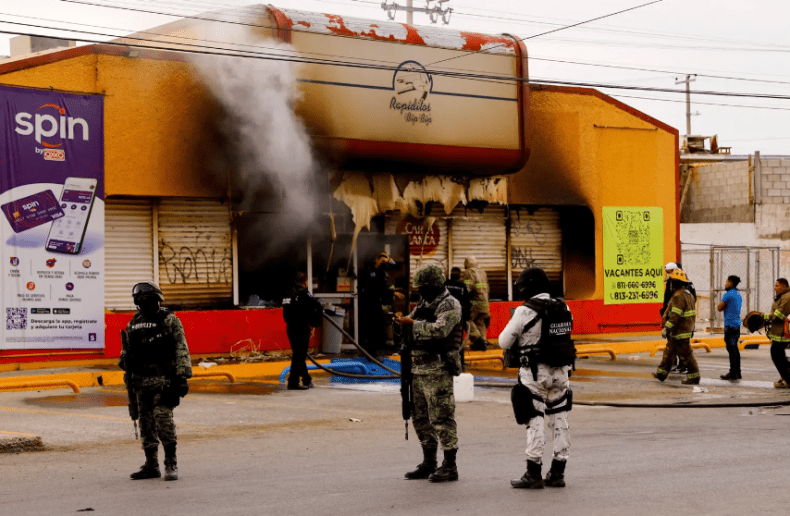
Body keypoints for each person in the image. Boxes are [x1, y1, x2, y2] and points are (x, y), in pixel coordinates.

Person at [499, 267, 575, 489]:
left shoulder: (524, 311)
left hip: (535, 374)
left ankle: (533, 473)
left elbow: (504, 341)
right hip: (561, 372)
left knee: (536, 420)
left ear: (527, 286)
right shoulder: (564, 306)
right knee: (560, 420)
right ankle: (558, 472)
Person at [395, 265, 462, 483]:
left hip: (438, 368)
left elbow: (440, 329)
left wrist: (412, 324)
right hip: (418, 368)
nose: (421, 292)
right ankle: (429, 461)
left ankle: (450, 465)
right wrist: (401, 321)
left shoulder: (450, 304)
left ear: (434, 286)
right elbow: (411, 320)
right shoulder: (424, 303)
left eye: (424, 288)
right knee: (420, 417)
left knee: (441, 418)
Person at [120, 281, 192, 481]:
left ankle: (171, 462)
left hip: (164, 380)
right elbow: (127, 352)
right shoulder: (133, 323)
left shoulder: (169, 320)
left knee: (163, 419)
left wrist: (181, 377)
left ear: (157, 299)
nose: (144, 302)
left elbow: (181, 348)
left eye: (148, 299)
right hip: (141, 382)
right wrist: (125, 363)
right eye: (140, 299)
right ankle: (151, 465)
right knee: (145, 423)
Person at [653, 269, 701, 385]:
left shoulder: (678, 297)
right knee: (669, 352)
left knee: (686, 355)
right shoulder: (688, 295)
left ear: (675, 284)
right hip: (684, 329)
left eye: (671, 283)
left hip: (680, 330)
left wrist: (666, 328)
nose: (670, 285)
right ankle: (662, 373)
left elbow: (675, 316)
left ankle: (694, 377)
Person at [282, 272, 323, 390]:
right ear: (305, 282)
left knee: (299, 354)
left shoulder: (288, 293)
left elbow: (286, 311)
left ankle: (306, 379)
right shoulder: (305, 293)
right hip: (301, 327)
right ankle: (293, 382)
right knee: (299, 355)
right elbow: (317, 305)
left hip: (290, 327)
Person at [358, 252, 404, 357]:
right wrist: (393, 293)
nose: (384, 263)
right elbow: (377, 288)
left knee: (380, 330)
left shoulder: (384, 273)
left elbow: (385, 287)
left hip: (380, 305)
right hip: (369, 305)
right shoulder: (370, 272)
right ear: (377, 260)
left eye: (386, 262)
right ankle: (371, 354)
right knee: (371, 330)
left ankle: (375, 352)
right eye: (382, 261)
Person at [661, 262, 697, 374]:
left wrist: (666, 326)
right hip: (682, 324)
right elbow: (668, 302)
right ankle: (664, 372)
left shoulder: (681, 294)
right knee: (673, 347)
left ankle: (689, 370)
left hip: (682, 325)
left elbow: (676, 313)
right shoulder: (679, 290)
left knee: (682, 349)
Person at [765, 278, 790, 388]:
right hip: (780, 332)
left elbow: (778, 315)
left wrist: (762, 316)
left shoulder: (787, 297)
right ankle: (786, 377)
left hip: (784, 333)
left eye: (777, 286)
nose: (775, 288)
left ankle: (787, 379)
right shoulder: (783, 296)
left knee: (777, 354)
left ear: (784, 286)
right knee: (779, 355)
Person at [444, 266, 471, 368]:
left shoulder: (444, 285)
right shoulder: (462, 286)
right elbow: (466, 302)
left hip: (445, 318)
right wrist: (466, 318)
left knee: (445, 340)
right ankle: (460, 362)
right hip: (458, 318)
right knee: (458, 341)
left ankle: (445, 361)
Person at [718, 275, 743, 381]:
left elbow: (719, 308)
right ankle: (737, 372)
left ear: (731, 283)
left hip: (730, 325)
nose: (726, 283)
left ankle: (733, 373)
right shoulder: (738, 294)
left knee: (731, 349)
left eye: (727, 281)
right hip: (736, 325)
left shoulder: (727, 294)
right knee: (735, 349)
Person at [462, 256, 490, 351]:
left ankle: (477, 339)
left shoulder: (469, 272)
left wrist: (462, 296)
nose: (464, 264)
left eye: (465, 262)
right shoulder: (482, 272)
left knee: (466, 319)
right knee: (480, 322)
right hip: (484, 301)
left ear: (468, 262)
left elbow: (467, 287)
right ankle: (483, 342)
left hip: (474, 302)